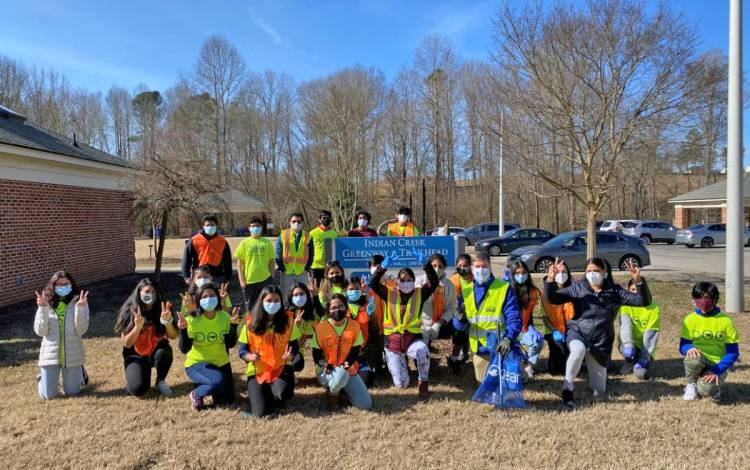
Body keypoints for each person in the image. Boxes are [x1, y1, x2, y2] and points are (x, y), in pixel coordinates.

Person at [545, 257, 650, 409]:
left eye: (596, 271)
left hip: (601, 342)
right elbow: (552, 298)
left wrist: (638, 281)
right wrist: (550, 280)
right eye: (589, 271)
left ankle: (599, 377)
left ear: (604, 272)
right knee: (577, 350)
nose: (592, 274)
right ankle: (567, 389)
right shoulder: (578, 287)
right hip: (578, 333)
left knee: (599, 390)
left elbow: (642, 301)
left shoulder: (615, 291)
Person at [369, 252, 439, 399]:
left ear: (414, 281)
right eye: (403, 280)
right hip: (392, 344)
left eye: (409, 280)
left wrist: (426, 265)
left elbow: (434, 282)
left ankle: (423, 383)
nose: (406, 282)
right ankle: (401, 366)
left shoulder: (420, 293)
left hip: (412, 340)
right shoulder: (389, 293)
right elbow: (373, 283)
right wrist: (382, 267)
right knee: (401, 384)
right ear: (397, 282)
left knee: (422, 351)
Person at [456, 252, 521, 384]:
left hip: (501, 346)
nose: (481, 270)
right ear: (471, 269)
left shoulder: (503, 288)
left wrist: (508, 338)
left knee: (512, 382)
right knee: (486, 384)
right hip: (480, 348)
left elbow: (514, 317)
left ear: (490, 267)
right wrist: (460, 320)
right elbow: (458, 325)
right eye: (477, 267)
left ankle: (520, 368)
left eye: (484, 266)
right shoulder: (466, 291)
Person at [238, 285, 299, 417]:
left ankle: (274, 395)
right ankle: (262, 397)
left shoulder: (289, 322)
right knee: (261, 413)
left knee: (284, 394)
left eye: (276, 301)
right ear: (262, 302)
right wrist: (250, 356)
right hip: (258, 371)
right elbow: (242, 351)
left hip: (281, 368)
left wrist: (292, 354)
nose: (273, 304)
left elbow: (294, 346)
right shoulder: (250, 324)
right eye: (269, 301)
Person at [177, 283, 240, 410]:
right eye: (204, 296)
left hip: (221, 362)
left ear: (217, 298)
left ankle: (206, 383)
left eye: (212, 295)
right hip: (197, 363)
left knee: (226, 403)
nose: (209, 299)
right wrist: (183, 331)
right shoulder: (192, 320)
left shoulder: (224, 317)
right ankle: (196, 393)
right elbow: (184, 349)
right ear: (198, 300)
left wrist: (233, 326)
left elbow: (231, 344)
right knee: (216, 382)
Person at [114, 279, 177, 397]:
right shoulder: (130, 310)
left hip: (156, 350)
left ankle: (160, 381)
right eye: (147, 291)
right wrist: (137, 327)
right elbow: (127, 344)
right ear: (139, 292)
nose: (151, 294)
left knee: (164, 353)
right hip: (135, 354)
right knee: (138, 389)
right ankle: (138, 378)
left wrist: (167, 321)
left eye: (154, 292)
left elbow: (173, 336)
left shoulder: (163, 308)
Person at [34, 271, 89, 400]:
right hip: (50, 355)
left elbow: (81, 330)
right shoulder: (45, 303)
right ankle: (42, 378)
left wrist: (80, 309)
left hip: (72, 355)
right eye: (59, 284)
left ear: (72, 285)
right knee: (49, 396)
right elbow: (40, 332)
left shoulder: (79, 301)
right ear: (53, 286)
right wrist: (42, 309)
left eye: (66, 284)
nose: (63, 286)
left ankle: (79, 373)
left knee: (73, 393)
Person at [312, 294, 373, 410]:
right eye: (334, 307)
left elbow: (355, 351)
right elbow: (316, 354)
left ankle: (342, 391)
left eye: (341, 306)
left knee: (366, 405)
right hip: (327, 369)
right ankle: (332, 394)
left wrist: (344, 365)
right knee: (340, 375)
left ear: (346, 307)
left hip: (348, 368)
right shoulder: (320, 328)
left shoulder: (354, 326)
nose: (337, 310)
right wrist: (323, 364)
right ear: (328, 310)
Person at [680, 282, 739, 401]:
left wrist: (716, 370)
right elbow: (683, 345)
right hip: (699, 360)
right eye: (699, 298)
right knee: (693, 358)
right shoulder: (690, 319)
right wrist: (689, 348)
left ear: (715, 299)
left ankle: (712, 388)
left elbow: (733, 352)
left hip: (717, 364)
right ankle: (691, 384)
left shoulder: (726, 320)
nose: (703, 301)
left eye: (706, 298)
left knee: (706, 391)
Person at [416, 253, 464, 375]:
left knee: (460, 329)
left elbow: (452, 307)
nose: (437, 269)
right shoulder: (419, 281)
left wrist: (439, 323)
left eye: (440, 266)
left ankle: (454, 359)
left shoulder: (449, 285)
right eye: (434, 265)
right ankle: (424, 360)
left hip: (442, 323)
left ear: (444, 268)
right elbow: (415, 304)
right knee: (421, 358)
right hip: (423, 324)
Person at [508, 260, 544, 379]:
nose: (521, 275)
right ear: (512, 274)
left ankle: (529, 365)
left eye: (524, 272)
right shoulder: (506, 290)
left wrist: (531, 328)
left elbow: (529, 314)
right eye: (517, 273)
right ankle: (518, 363)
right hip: (508, 330)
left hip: (523, 328)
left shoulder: (533, 292)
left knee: (537, 340)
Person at [618, 278, 661, 380]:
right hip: (631, 344)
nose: (635, 292)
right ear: (628, 291)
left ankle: (641, 360)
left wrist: (644, 358)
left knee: (641, 375)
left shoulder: (654, 308)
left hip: (645, 347)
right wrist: (628, 345)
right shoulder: (625, 305)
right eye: (632, 290)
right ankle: (629, 361)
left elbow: (651, 335)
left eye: (638, 289)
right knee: (626, 350)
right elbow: (625, 326)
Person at [540, 263, 575, 376]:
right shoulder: (545, 293)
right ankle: (552, 363)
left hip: (571, 331)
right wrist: (554, 330)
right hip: (553, 331)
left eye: (564, 272)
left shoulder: (575, 291)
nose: (561, 275)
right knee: (556, 369)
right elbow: (543, 316)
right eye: (558, 272)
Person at [235, 216, 275, 312]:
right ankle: (251, 325)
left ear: (261, 227)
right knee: (250, 307)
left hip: (265, 280)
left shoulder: (267, 243)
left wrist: (272, 278)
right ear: (249, 228)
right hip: (249, 281)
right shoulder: (244, 243)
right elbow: (240, 264)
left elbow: (271, 262)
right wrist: (242, 280)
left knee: (266, 304)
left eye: (257, 226)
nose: (255, 228)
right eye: (253, 226)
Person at [181, 215, 232, 284]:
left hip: (217, 277)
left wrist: (228, 277)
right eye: (207, 225)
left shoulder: (222, 241)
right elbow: (186, 260)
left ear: (216, 226)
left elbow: (228, 261)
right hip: (199, 277)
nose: (210, 227)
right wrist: (186, 277)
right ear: (203, 226)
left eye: (212, 225)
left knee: (217, 295)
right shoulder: (194, 240)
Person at [345, 276, 375, 386]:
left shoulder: (366, 304)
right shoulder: (342, 306)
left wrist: (371, 314)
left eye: (356, 289)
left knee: (366, 382)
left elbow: (371, 324)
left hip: (362, 351)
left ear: (361, 289)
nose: (354, 292)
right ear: (345, 290)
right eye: (351, 289)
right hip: (346, 352)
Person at [276, 212, 314, 297]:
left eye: (299, 221)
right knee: (285, 297)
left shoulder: (308, 236)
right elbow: (278, 254)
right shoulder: (283, 235)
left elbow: (311, 255)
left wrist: (306, 269)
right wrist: (282, 269)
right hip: (286, 273)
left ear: (302, 223)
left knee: (302, 296)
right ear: (290, 222)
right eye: (294, 221)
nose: (296, 223)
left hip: (302, 273)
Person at [288, 282, 323, 370]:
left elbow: (305, 337)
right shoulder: (285, 312)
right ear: (291, 297)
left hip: (297, 348)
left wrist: (293, 350)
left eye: (301, 294)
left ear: (307, 295)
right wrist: (294, 325)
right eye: (295, 294)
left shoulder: (311, 314)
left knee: (298, 363)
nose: (299, 297)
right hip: (281, 345)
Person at [310, 210, 337, 287]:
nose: (326, 219)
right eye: (323, 218)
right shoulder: (312, 233)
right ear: (319, 219)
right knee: (315, 289)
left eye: (328, 218)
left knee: (327, 288)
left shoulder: (334, 234)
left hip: (328, 266)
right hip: (315, 266)